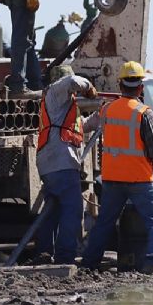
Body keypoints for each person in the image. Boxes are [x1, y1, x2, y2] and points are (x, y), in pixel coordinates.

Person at [81, 61, 153, 272]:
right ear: (141, 87)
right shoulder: (144, 113)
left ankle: (89, 263)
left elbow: (83, 126)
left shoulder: (107, 110)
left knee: (104, 223)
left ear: (120, 86)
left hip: (112, 179)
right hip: (139, 178)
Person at [32, 65, 98, 264]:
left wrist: (98, 118)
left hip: (53, 163)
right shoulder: (56, 90)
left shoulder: (60, 105)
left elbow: (79, 127)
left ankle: (44, 252)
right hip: (61, 162)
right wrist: (88, 87)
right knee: (73, 209)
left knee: (53, 211)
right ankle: (64, 257)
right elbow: (72, 82)